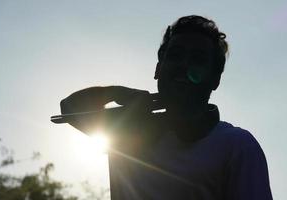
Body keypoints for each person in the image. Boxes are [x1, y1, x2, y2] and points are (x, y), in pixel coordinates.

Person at [60, 15, 273, 200]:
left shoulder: (236, 145)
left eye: (197, 60)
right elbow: (69, 108)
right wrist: (119, 93)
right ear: (158, 68)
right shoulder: (129, 130)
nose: (183, 65)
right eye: (175, 56)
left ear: (215, 79)